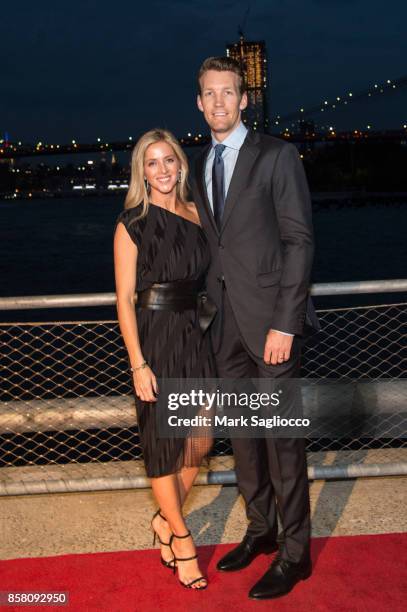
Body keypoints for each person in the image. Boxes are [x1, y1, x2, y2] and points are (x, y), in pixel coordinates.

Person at [192, 56, 318, 600]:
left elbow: (300, 242)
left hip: (271, 330)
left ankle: (296, 554)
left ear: (244, 100)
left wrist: (285, 324)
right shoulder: (200, 163)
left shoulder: (277, 156)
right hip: (224, 329)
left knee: (283, 443)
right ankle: (261, 530)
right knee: (244, 441)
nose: (219, 102)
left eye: (229, 93)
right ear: (198, 103)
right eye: (209, 94)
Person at [113, 128, 216, 590]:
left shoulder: (199, 213)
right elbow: (123, 299)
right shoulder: (132, 222)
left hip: (195, 333)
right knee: (161, 446)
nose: (162, 170)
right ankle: (181, 537)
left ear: (181, 164)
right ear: (142, 171)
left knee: (202, 439)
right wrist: (138, 363)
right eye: (152, 163)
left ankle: (161, 518)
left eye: (169, 160)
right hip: (155, 338)